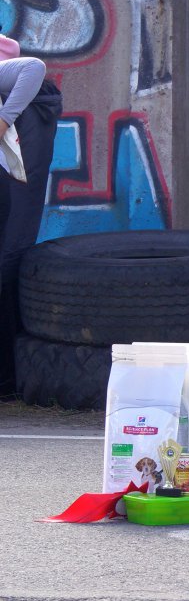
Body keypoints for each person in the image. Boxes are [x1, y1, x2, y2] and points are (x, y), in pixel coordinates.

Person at [0, 34, 62, 396]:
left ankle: (10, 376)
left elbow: (33, 68)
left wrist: (5, 121)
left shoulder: (11, 73)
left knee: (11, 255)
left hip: (22, 139)